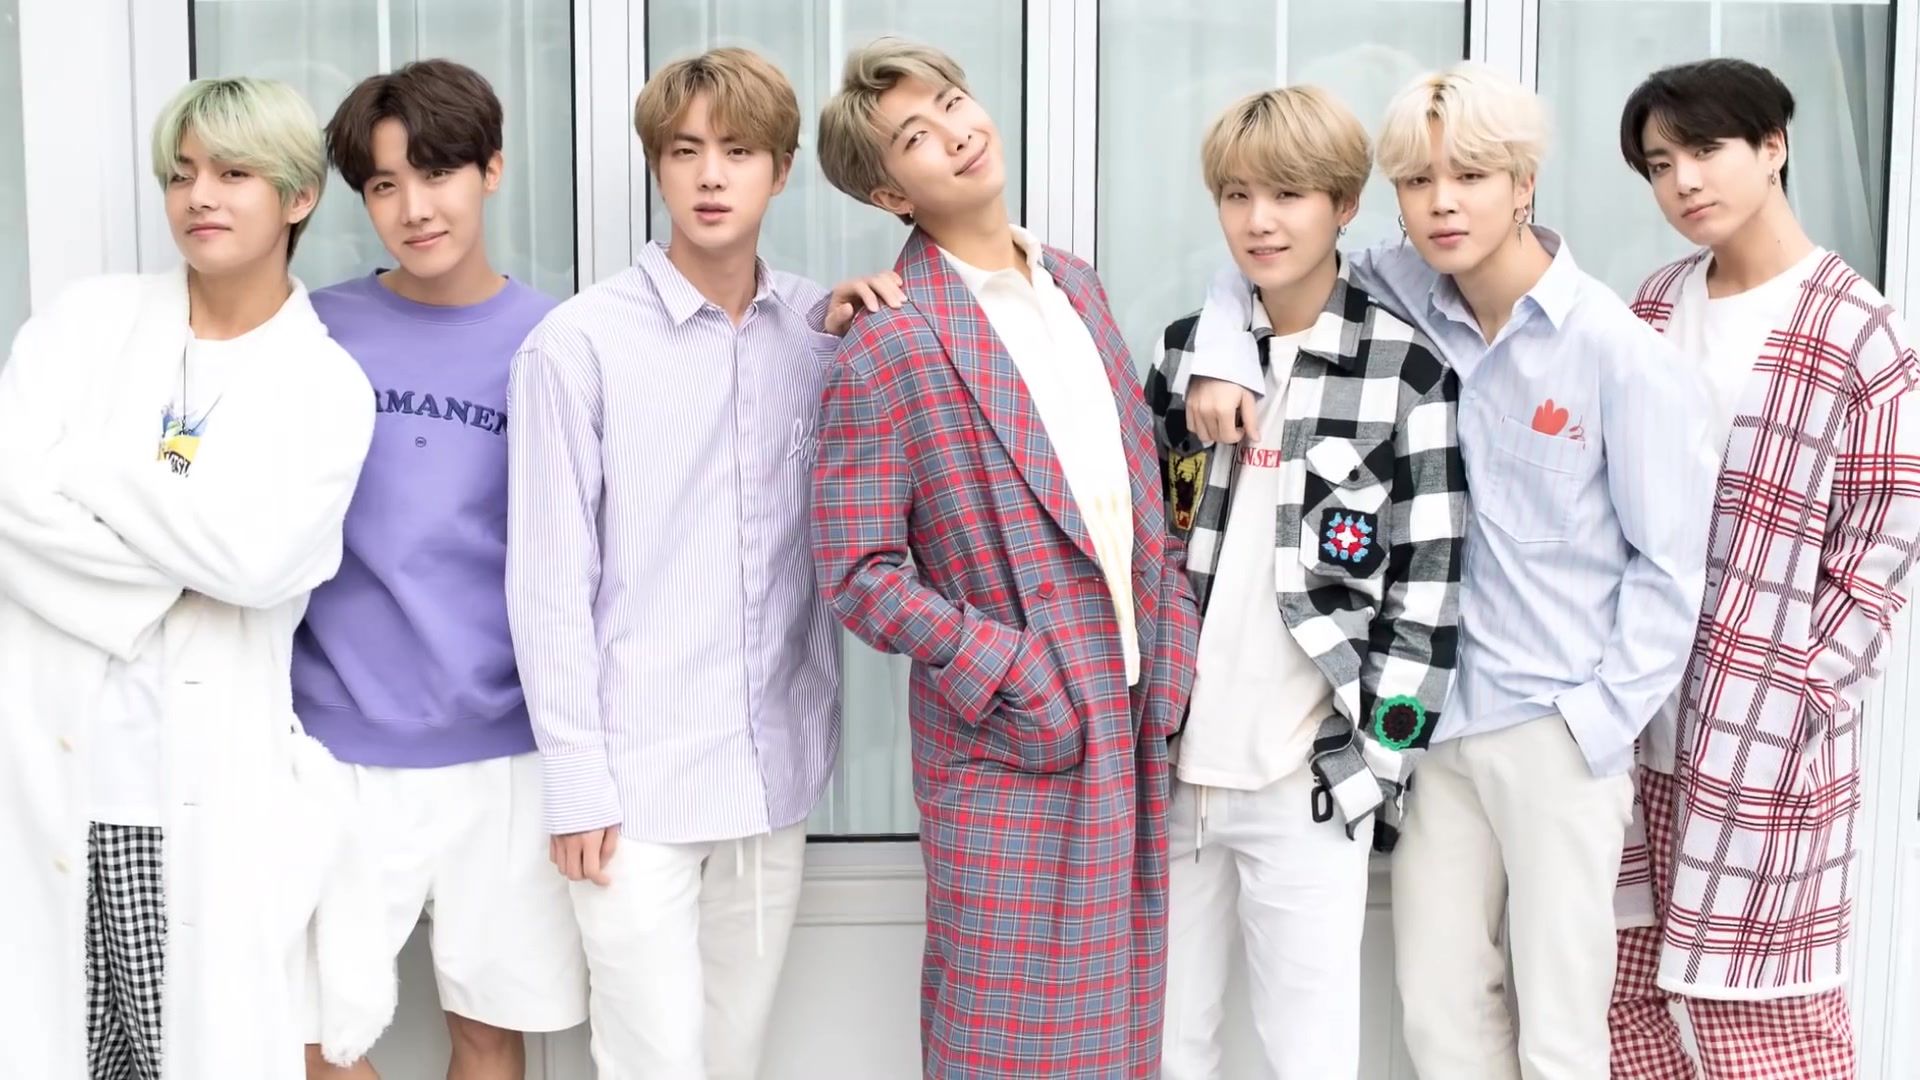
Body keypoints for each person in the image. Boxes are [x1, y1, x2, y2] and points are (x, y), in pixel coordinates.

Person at [1179, 63, 1717, 1080]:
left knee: (1561, 1033)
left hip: (1556, 725)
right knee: (1439, 1018)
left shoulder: (1613, 349)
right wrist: (1219, 350)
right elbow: (1270, 261)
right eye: (1418, 182)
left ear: (1523, 184)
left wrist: (1597, 722)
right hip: (1432, 730)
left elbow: (1671, 568)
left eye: (1469, 176)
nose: (1442, 203)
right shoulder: (1405, 294)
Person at [505, 46, 902, 1079]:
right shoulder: (575, 345)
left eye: (738, 151)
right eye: (685, 151)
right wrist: (577, 782)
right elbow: (547, 587)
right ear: (658, 167)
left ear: (781, 169)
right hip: (632, 789)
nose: (711, 176)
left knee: (735, 1054)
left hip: (775, 773)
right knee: (654, 1061)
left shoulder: (822, 333)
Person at [812, 37, 1201, 1079]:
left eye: (952, 102)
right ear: (891, 193)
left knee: (1120, 1041)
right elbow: (856, 570)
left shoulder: (1076, 285)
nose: (955, 133)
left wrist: (1172, 648)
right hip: (1008, 739)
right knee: (1001, 1044)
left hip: (1129, 718)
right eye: (916, 137)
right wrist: (1012, 668)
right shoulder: (891, 338)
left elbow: (1138, 493)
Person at [0, 76, 377, 1079]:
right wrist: (173, 567)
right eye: (181, 173)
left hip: (198, 799)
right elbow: (9, 503)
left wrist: (88, 469)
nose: (199, 195)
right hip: (50, 778)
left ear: (298, 197)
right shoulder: (86, 324)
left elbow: (258, 558)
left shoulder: (323, 386)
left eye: (233, 172)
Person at [1144, 85, 1466, 1080]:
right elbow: (1144, 548)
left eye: (1288, 194)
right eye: (1237, 195)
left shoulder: (1406, 373)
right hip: (1172, 769)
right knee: (1162, 1048)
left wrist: (1376, 765)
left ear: (1344, 205)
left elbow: (1427, 598)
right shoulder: (1184, 358)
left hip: (1307, 780)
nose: (1259, 221)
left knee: (1310, 1055)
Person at [1607, 58, 1920, 1080]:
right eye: (1660, 164)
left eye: (1705, 150)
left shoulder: (1857, 327)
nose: (1684, 181)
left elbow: (1881, 547)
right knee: (1624, 998)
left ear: (1773, 146)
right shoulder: (1653, 306)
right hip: (1640, 713)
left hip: (1764, 732)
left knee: (1768, 1017)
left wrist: (1799, 694)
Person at [295, 59, 586, 1080]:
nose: (414, 209)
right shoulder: (315, 329)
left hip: (505, 747)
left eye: (437, 173)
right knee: (310, 1035)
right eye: (384, 185)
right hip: (336, 742)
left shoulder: (557, 339)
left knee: (490, 1033)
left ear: (491, 170)